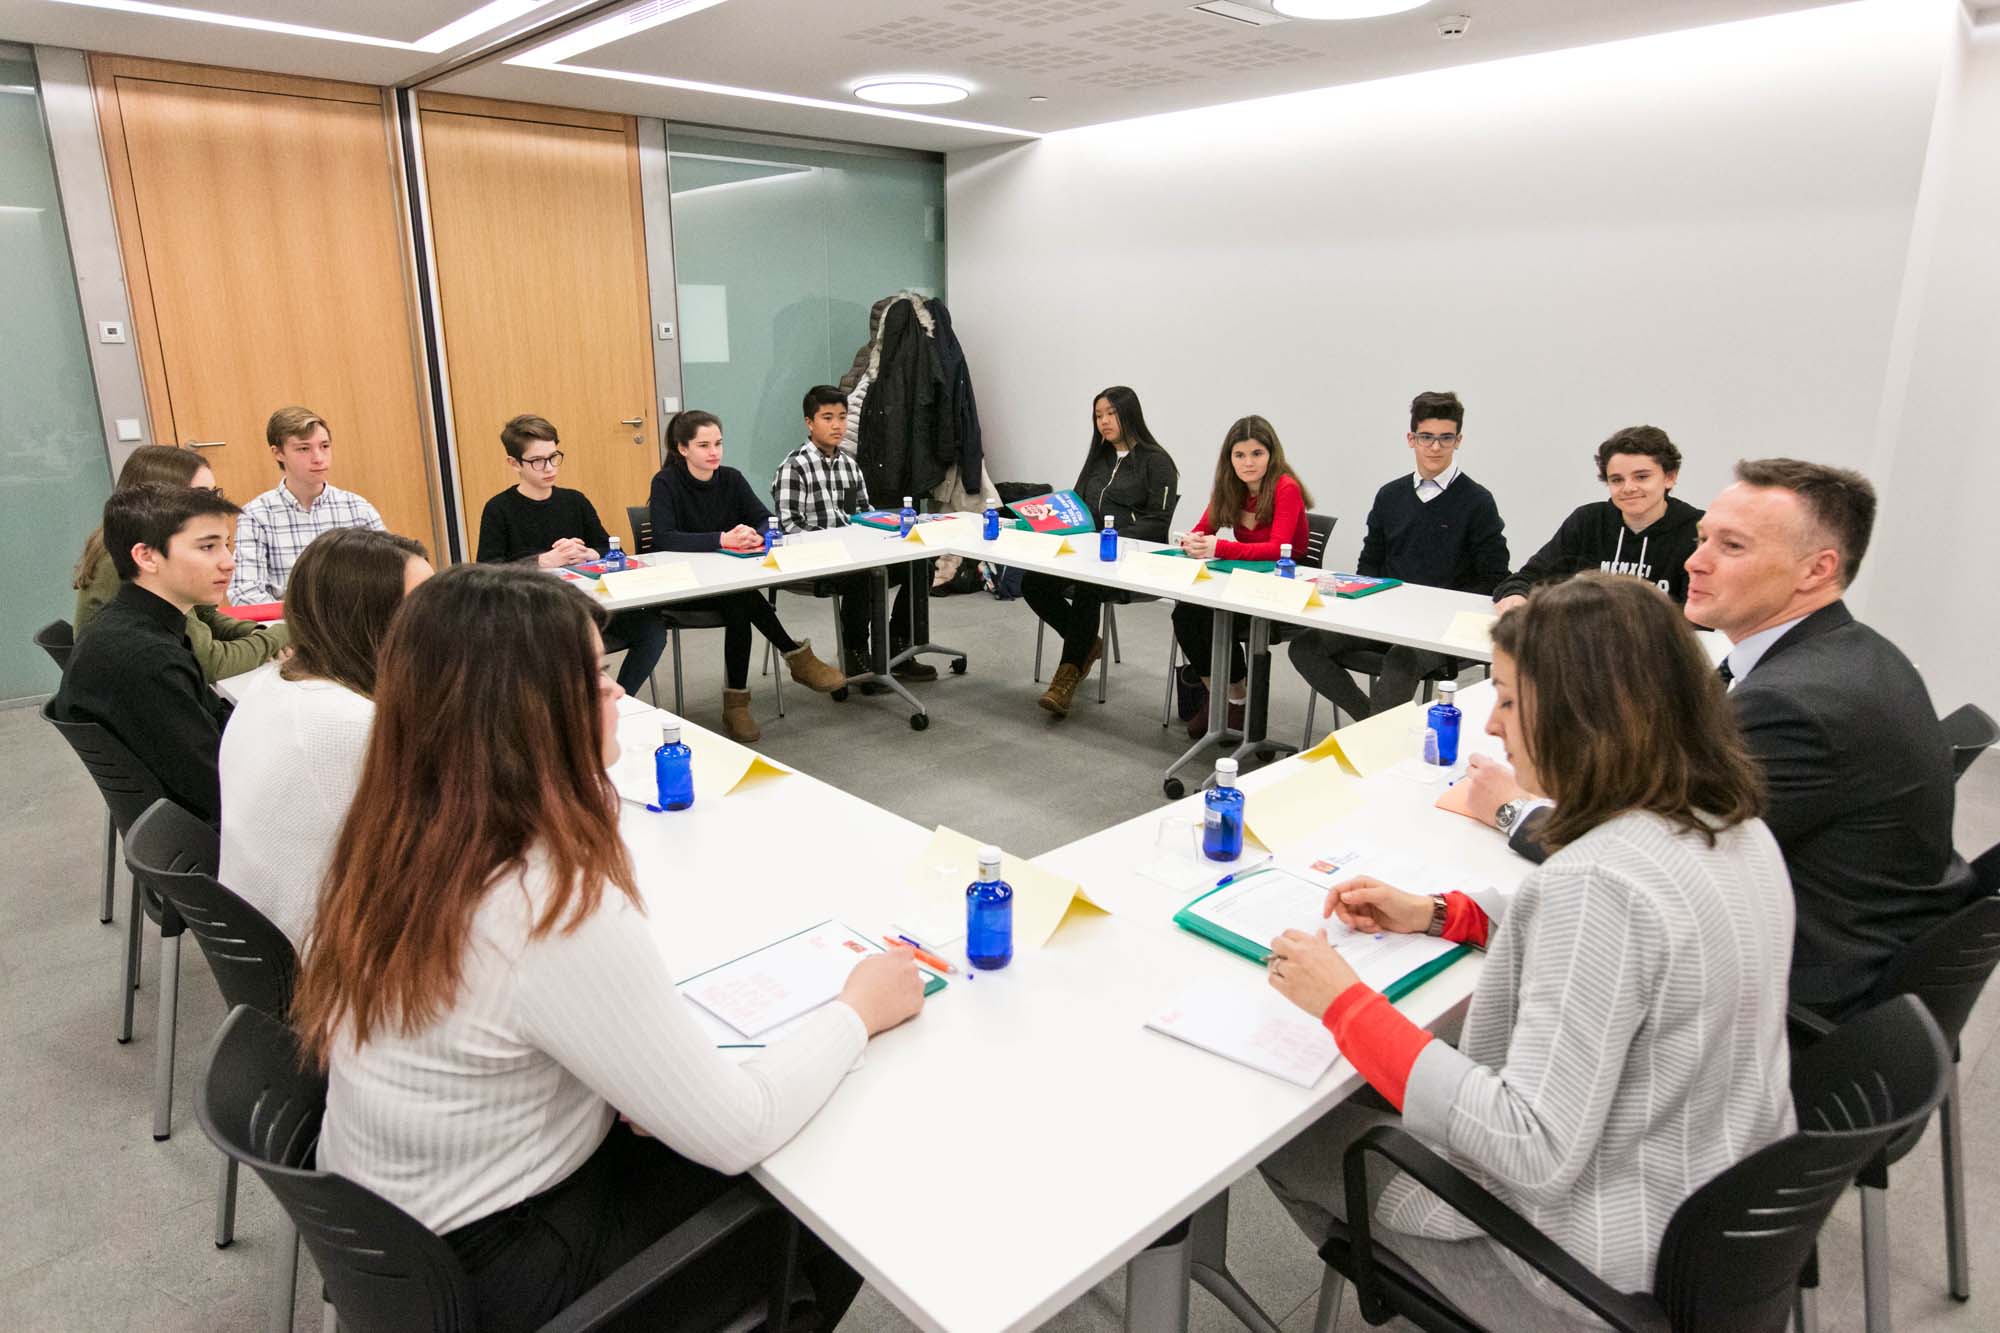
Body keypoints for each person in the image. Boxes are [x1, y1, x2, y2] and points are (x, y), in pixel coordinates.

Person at [291, 564, 925, 1333]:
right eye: (594, 676)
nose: (618, 690)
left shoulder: (399, 836)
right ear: (529, 712)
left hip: (407, 1244)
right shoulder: (543, 903)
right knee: (837, 1164)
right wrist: (857, 1009)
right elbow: (742, 1126)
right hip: (511, 1271)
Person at [1258, 573, 1791, 1330]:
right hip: (1701, 1209)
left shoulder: (1598, 884)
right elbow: (1629, 944)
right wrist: (1441, 912)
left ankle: (1434, 1293)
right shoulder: (1731, 822)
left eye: (1508, 701)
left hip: (1584, 1271)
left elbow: (1527, 1144)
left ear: (1583, 713)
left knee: (1286, 1129)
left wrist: (1344, 1004)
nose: (1494, 725)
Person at [1468, 459, 1979, 1017]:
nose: (1695, 561)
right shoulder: (1851, 652)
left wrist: (1513, 810)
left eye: (1731, 546)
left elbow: (1649, 869)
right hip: (1858, 936)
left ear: (1817, 569)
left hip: (1803, 989)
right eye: (1702, 538)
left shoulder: (1792, 706)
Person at [218, 528, 432, 945]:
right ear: (369, 617)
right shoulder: (350, 724)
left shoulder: (276, 683)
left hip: (272, 936)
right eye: (422, 605)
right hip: (337, 952)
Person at [1287, 391, 1509, 720]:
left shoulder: (1477, 502)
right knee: (1305, 646)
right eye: (1426, 437)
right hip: (1383, 616)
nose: (1435, 447)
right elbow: (1369, 563)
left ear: (1458, 441)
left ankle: (1376, 738)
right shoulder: (1390, 496)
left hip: (1438, 628)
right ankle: (1371, 727)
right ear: (1411, 439)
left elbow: (1494, 577)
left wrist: (1439, 608)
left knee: (1402, 660)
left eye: (1445, 438)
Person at [646, 409, 846, 743]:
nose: (714, 452)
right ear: (683, 449)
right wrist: (722, 539)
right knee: (741, 599)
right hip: (685, 586)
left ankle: (738, 704)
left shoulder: (731, 478)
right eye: (704, 445)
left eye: (719, 443)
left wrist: (756, 534)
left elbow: (765, 519)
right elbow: (664, 538)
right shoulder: (666, 482)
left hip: (728, 582)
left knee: (739, 601)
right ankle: (793, 657)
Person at [54, 484, 241, 826]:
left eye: (226, 544)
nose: (228, 562)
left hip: (179, 821)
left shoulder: (129, 623)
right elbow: (218, 787)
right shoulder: (148, 658)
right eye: (208, 547)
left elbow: (212, 721)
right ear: (147, 557)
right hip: (211, 833)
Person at [475, 414, 670, 698]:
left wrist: (590, 553)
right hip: (536, 617)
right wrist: (542, 561)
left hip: (589, 607)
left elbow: (611, 549)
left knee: (651, 629)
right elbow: (488, 571)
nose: (549, 467)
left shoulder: (574, 501)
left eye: (554, 457)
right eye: (537, 461)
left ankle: (616, 699)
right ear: (514, 463)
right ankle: (576, 706)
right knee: (561, 644)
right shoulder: (499, 509)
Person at [1022, 386, 1178, 717]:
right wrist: (1048, 518)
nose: (1103, 421)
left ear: (1130, 415)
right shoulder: (1099, 458)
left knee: (1087, 584)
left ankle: (1066, 676)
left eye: (1111, 414)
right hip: (1086, 552)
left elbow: (1157, 522)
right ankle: (1087, 644)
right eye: (1098, 415)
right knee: (1033, 582)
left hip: (1130, 558)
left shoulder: (1157, 461)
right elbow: (1077, 504)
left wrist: (1111, 539)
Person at [72, 444, 288, 681]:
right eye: (202, 496)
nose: (213, 505)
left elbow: (204, 615)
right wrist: (278, 636)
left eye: (214, 493)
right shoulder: (133, 562)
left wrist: (256, 632)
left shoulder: (137, 545)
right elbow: (208, 662)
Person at [770, 385, 935, 694]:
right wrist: (835, 544)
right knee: (863, 575)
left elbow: (864, 513)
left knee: (919, 565)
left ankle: (898, 647)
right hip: (816, 561)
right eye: (827, 417)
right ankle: (856, 655)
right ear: (809, 422)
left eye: (842, 417)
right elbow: (789, 526)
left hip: (856, 553)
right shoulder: (794, 467)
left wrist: (885, 530)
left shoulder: (849, 465)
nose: (837, 425)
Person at [1169, 415, 1311, 738]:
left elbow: (1277, 549)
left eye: (1257, 454)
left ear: (1271, 455)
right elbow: (1202, 529)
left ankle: (1236, 700)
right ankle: (1224, 697)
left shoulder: (1286, 487)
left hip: (1284, 583)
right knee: (1185, 615)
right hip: (1243, 579)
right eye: (1240, 455)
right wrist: (1192, 541)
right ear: (1229, 458)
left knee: (1219, 614)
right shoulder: (1229, 485)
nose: (1248, 463)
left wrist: (1220, 547)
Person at [1492, 424, 1703, 610]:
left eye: (1641, 477)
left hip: (1661, 641)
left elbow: (1699, 612)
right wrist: (1516, 595)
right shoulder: (1588, 521)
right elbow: (1528, 578)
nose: (1628, 488)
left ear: (1669, 477)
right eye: (1617, 480)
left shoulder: (1697, 529)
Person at [228, 406, 386, 605]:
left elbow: (391, 576)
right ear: (278, 453)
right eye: (303, 449)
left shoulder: (358, 509)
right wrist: (298, 620)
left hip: (351, 618)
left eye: (324, 446)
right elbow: (244, 592)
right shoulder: (256, 515)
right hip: (285, 621)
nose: (318, 458)